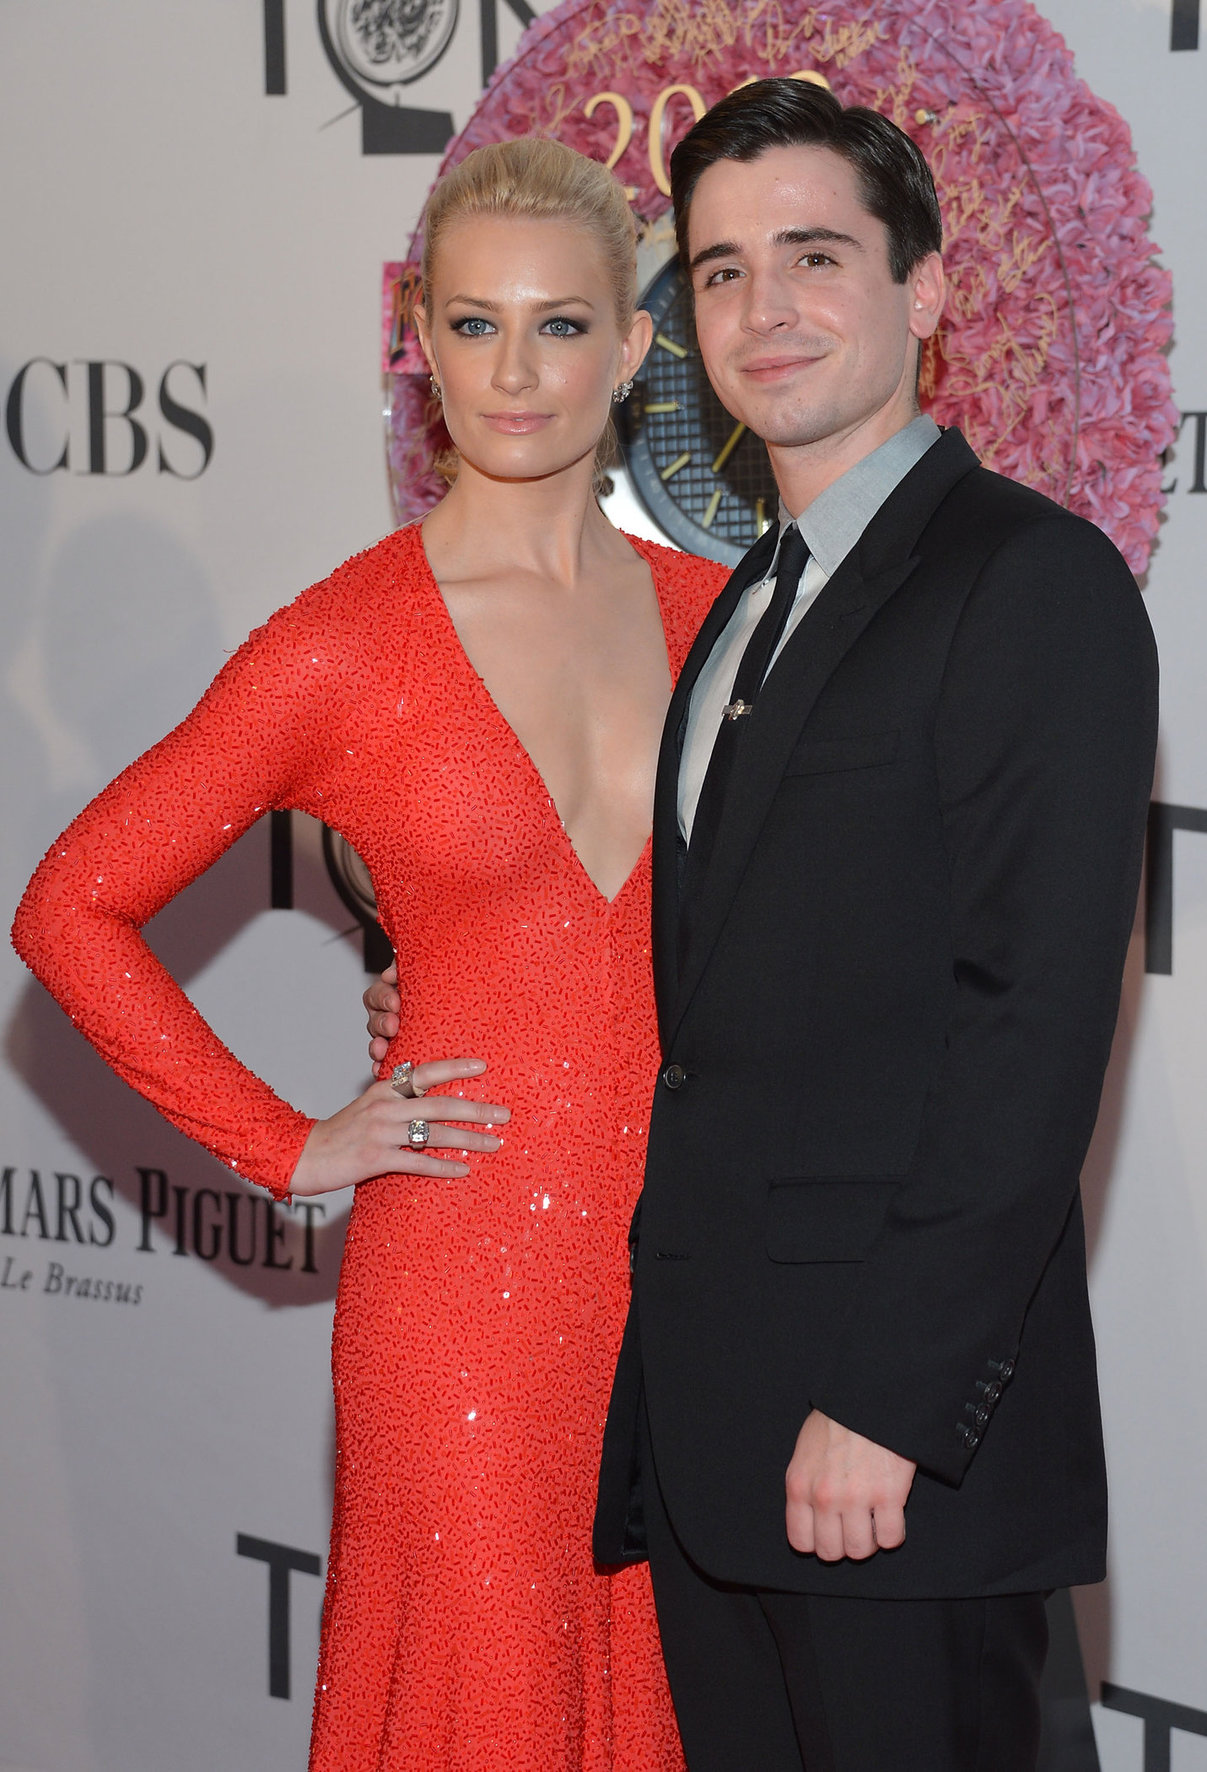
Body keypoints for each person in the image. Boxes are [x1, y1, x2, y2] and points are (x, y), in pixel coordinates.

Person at [375, 81, 1159, 1767]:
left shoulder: (1031, 583)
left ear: (926, 291)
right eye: (722, 270)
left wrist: (892, 1404)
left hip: (892, 1461)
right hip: (714, 1446)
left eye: (815, 256)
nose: (764, 308)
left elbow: (1029, 1036)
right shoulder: (739, 601)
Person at [12, 138, 728, 1771]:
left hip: (685, 1288)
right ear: (417, 337)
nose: (515, 373)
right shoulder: (341, 644)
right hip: (460, 1300)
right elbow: (70, 906)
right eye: (474, 325)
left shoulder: (719, 617)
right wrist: (287, 1142)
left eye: (560, 326)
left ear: (635, 346)